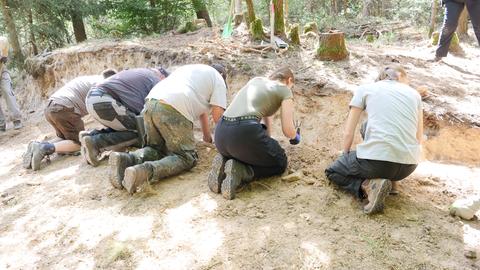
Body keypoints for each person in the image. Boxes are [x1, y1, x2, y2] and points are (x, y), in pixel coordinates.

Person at [108, 63, 227, 194]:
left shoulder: (193, 70)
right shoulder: (218, 79)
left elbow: (202, 112)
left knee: (156, 148)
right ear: (223, 75)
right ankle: (143, 172)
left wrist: (207, 137)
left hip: (151, 102)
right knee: (186, 157)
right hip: (174, 106)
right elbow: (217, 116)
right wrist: (224, 146)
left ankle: (125, 159)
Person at [325, 64, 423, 215]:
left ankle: (369, 186)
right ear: (400, 77)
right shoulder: (415, 94)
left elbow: (348, 132)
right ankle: (393, 184)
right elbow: (418, 138)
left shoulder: (365, 89)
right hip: (409, 166)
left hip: (377, 163)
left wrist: (344, 156)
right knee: (368, 126)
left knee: (333, 171)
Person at [208, 66, 300, 200]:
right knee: (279, 162)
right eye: (292, 86)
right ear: (289, 80)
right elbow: (288, 130)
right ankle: (240, 171)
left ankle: (223, 164)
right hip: (243, 132)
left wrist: (267, 141)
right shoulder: (285, 90)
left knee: (246, 151)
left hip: (221, 134)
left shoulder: (256, 81)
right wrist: (296, 137)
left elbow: (265, 115)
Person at [22, 70, 117, 170]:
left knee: (66, 140)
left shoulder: (90, 78)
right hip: (64, 109)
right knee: (81, 143)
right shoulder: (102, 84)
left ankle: (36, 145)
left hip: (50, 107)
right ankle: (43, 148)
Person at [81, 67, 169, 167]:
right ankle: (95, 143)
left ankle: (90, 136)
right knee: (142, 132)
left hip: (94, 99)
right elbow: (149, 114)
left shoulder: (141, 72)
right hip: (105, 101)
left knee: (129, 126)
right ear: (162, 76)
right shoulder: (156, 81)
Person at [0, 37, 22, 131]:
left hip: (2, 71)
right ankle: (1, 124)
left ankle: (16, 119)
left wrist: (3, 58)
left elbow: (5, 57)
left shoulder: (3, 40)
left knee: (7, 91)